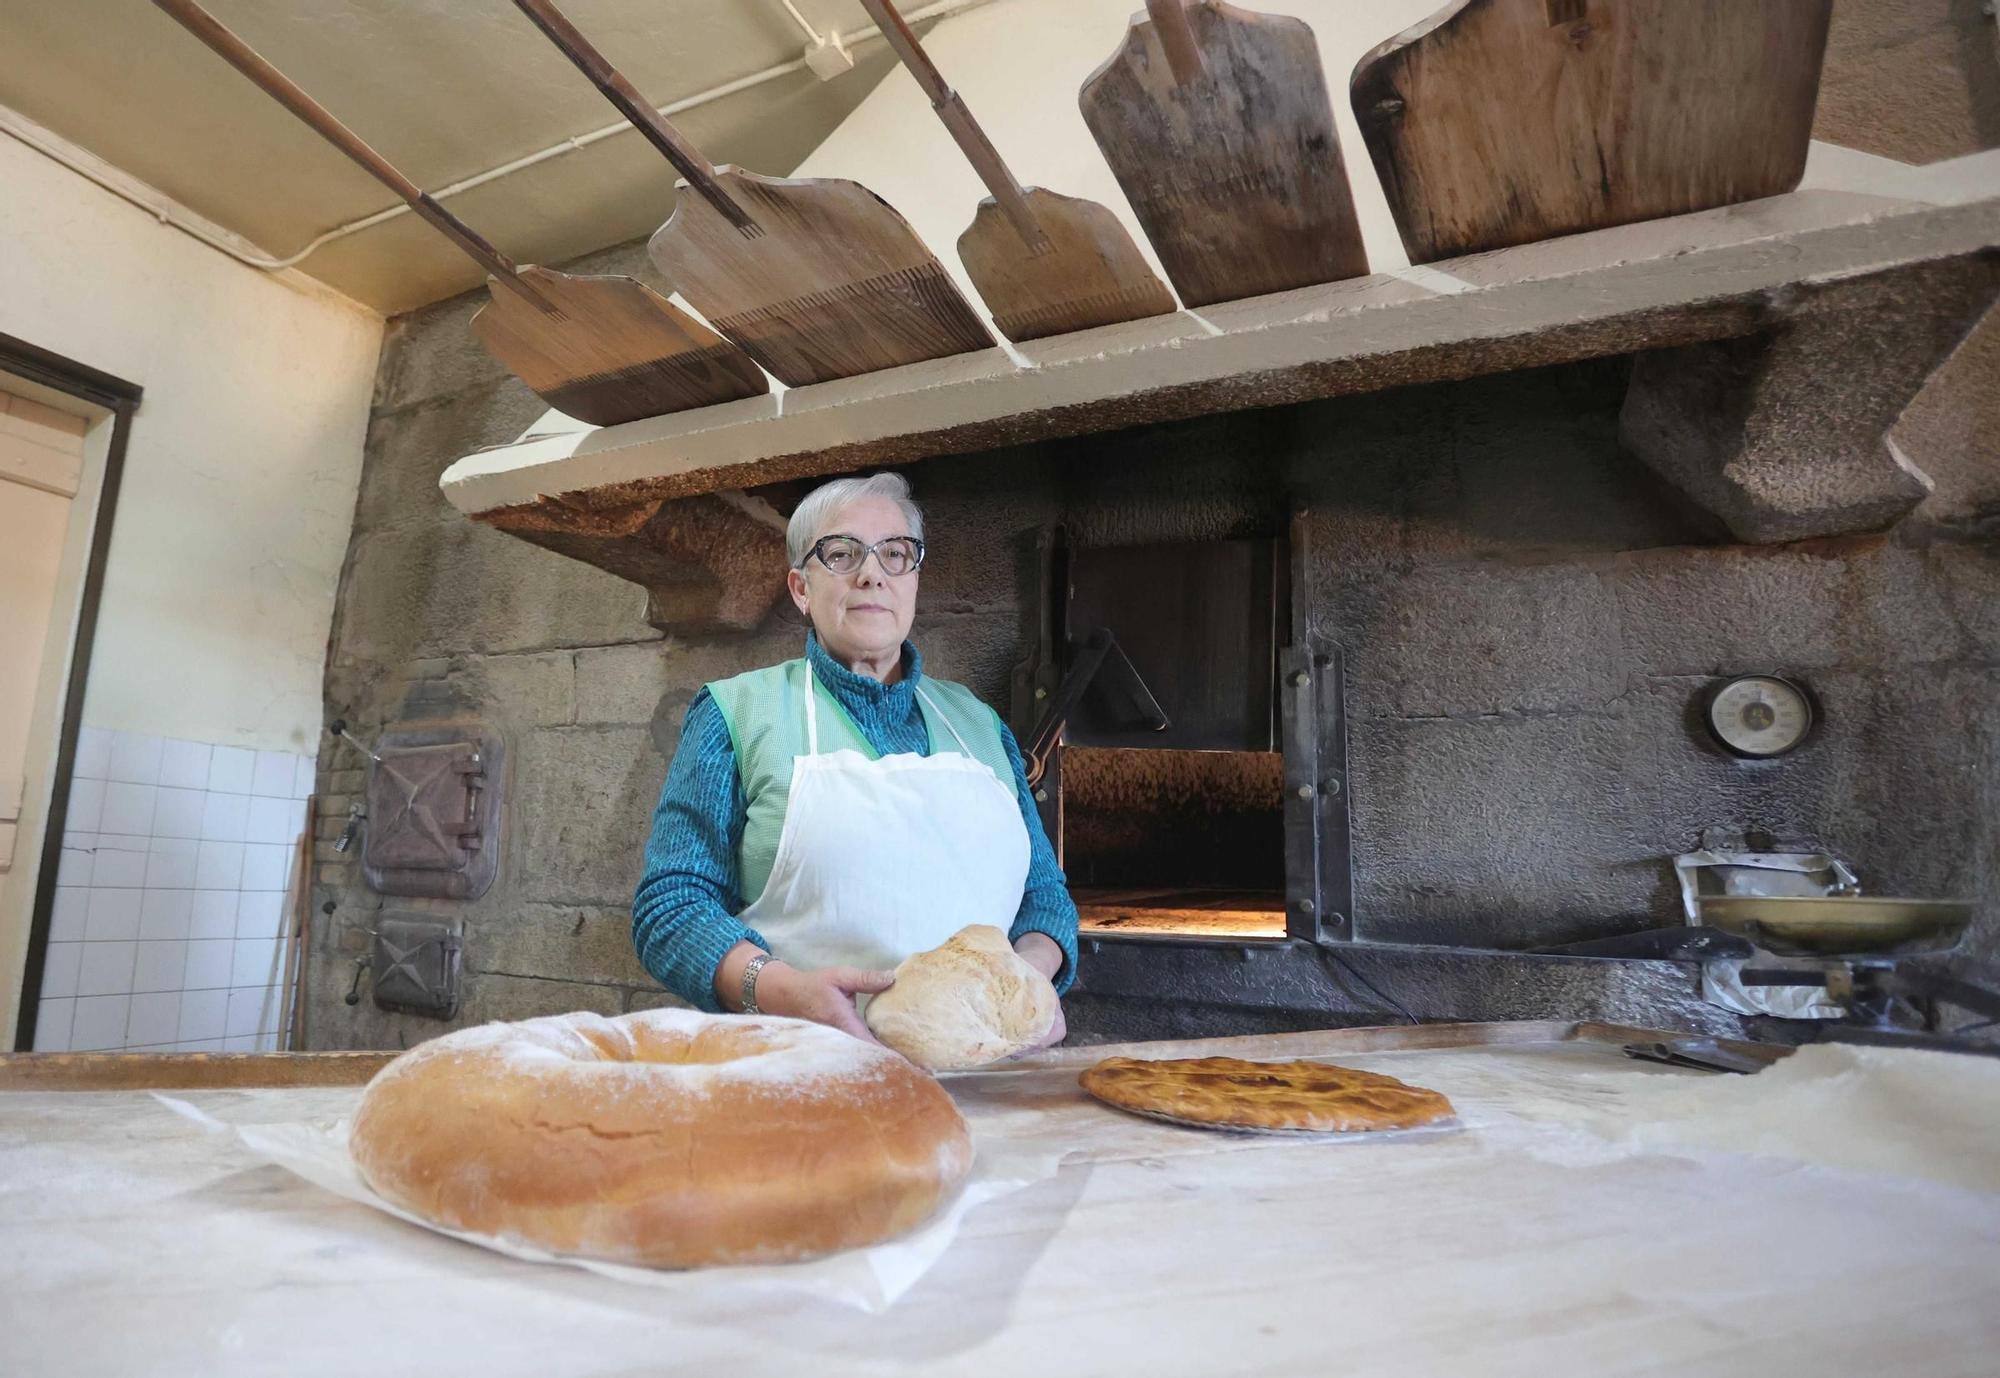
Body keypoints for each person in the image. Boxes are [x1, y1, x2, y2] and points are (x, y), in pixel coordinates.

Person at [632, 471, 1077, 1048]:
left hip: (984, 1072)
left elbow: (1044, 895)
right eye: (840, 554)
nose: (872, 573)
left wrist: (1031, 983)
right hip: (801, 1067)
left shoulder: (978, 723)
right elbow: (671, 907)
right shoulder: (738, 712)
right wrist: (776, 988)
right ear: (800, 588)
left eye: (895, 554)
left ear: (914, 580)